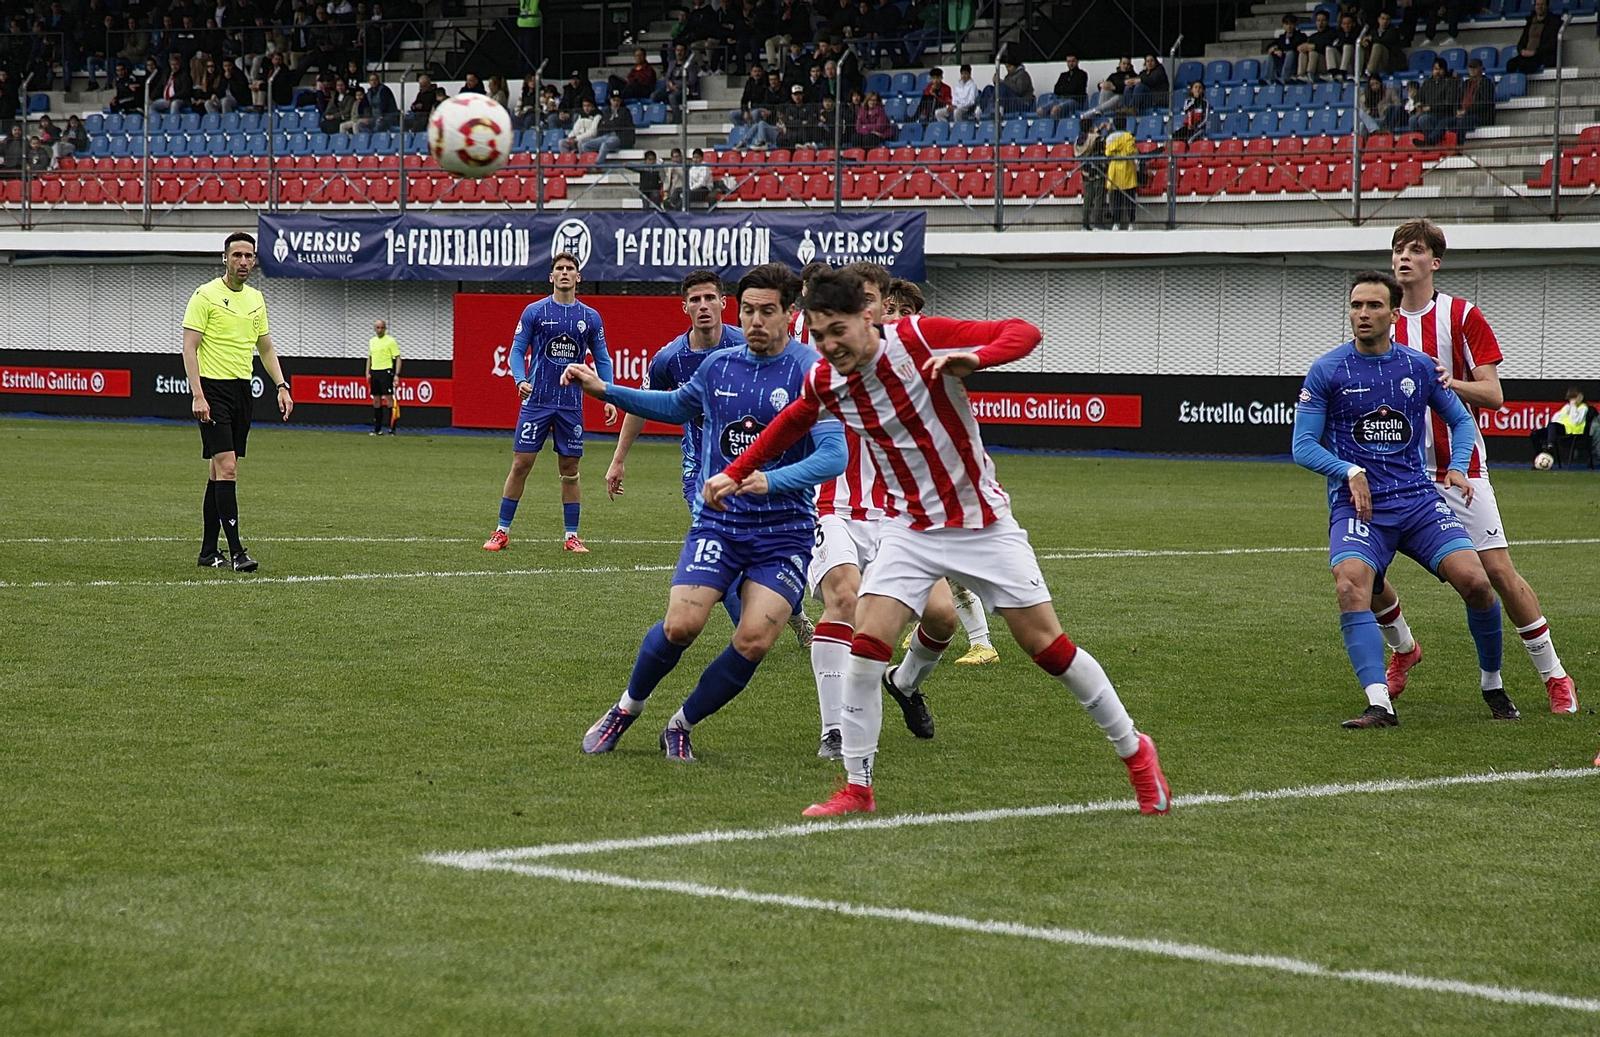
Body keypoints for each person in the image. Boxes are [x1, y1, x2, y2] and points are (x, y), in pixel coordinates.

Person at [704, 268, 1171, 817]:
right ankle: (858, 787)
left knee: (1048, 648)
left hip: (981, 524)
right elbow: (787, 424)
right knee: (867, 645)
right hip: (909, 529)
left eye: (839, 330)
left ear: (868, 317)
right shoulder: (827, 379)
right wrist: (735, 472)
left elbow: (1022, 330)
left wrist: (978, 359)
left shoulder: (919, 338)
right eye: (820, 333)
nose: (829, 344)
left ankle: (1136, 752)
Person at [574, 264, 847, 762]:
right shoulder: (718, 366)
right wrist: (605, 390)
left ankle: (682, 723)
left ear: (792, 313)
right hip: (720, 523)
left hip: (784, 533)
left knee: (754, 640)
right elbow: (676, 406)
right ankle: (626, 708)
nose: (757, 320)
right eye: (749, 310)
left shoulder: (814, 372)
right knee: (681, 626)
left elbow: (833, 455)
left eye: (768, 310)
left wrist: (770, 480)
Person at [1292, 270, 1515, 728]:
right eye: (1356, 306)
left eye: (1374, 306)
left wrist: (1458, 465)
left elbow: (1463, 421)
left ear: (1394, 313)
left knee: (1476, 582)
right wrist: (1348, 470)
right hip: (1361, 508)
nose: (1363, 314)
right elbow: (1303, 446)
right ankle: (1379, 703)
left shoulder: (1419, 366)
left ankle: (1492, 684)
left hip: (1417, 500)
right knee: (1351, 583)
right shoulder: (1327, 370)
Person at [1375, 219, 1578, 714]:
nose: (1404, 257)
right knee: (1363, 573)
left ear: (1435, 262)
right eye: (1398, 249)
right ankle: (1404, 650)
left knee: (1497, 573)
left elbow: (1494, 394)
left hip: (1458, 468)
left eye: (1415, 250)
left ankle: (1555, 676)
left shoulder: (1461, 315)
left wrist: (1445, 383)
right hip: (1397, 474)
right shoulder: (1381, 319)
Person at [883, 275, 999, 668]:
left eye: (905, 312)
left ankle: (983, 642)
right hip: (903, 479)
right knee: (908, 557)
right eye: (890, 309)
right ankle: (921, 627)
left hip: (941, 478)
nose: (896, 317)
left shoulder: (929, 356)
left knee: (946, 564)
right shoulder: (873, 357)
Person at [483, 253, 617, 554]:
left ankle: (572, 536)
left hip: (570, 404)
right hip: (537, 401)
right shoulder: (535, 311)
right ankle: (501, 531)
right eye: (560, 269)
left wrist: (609, 396)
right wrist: (520, 380)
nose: (565, 273)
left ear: (579, 277)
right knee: (521, 464)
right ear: (551, 276)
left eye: (571, 269)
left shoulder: (591, 318)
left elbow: (603, 358)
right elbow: (517, 351)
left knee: (570, 469)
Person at [180, 233, 293, 574]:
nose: (243, 261)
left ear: (255, 261)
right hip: (213, 392)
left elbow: (266, 347)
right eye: (237, 255)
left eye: (249, 256)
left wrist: (282, 386)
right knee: (228, 467)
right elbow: (189, 347)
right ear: (225, 259)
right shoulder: (205, 295)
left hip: (242, 391)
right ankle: (237, 552)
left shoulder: (256, 300)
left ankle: (207, 552)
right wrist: (198, 394)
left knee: (218, 472)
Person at [1530, 387, 1589, 458]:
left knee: (1552, 426)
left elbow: (1575, 421)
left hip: (1570, 431)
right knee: (1535, 434)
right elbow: (1555, 419)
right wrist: (1567, 410)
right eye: (1570, 398)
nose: (1572, 400)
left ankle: (1550, 446)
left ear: (1581, 397)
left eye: (1574, 397)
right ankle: (1541, 456)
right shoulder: (1567, 407)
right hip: (1558, 428)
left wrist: (1573, 407)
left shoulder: (1583, 408)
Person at [1409, 58, 1457, 146]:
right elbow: (1419, 96)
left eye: (1440, 69)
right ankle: (1420, 142)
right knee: (1412, 120)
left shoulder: (1450, 82)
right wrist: (1418, 103)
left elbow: (1449, 103)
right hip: (1426, 112)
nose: (1437, 72)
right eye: (1435, 69)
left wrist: (1431, 107)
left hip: (1441, 114)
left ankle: (1430, 142)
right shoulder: (1428, 82)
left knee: (1424, 119)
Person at [366, 319, 401, 436]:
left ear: (385, 329)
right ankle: (377, 428)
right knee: (376, 400)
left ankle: (392, 428)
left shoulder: (391, 341)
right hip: (375, 371)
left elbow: (398, 358)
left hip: (386, 371)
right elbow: (370, 357)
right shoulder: (372, 341)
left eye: (382, 328)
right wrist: (368, 372)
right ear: (374, 329)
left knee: (389, 399)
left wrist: (396, 374)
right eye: (377, 327)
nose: (379, 330)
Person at [1506, 0, 1559, 74]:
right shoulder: (1530, 21)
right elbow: (1522, 41)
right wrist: (1522, 51)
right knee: (1510, 64)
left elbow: (1551, 44)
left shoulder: (1553, 22)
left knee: (1524, 65)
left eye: (1542, 5)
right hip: (1527, 55)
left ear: (1547, 6)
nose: (1540, 7)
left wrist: (1535, 52)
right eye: (1537, 4)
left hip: (1541, 55)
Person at [1104, 121, 1137, 230]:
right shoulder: (1129, 136)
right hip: (1127, 170)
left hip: (1114, 171)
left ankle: (1116, 223)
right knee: (1129, 199)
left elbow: (1108, 153)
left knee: (1115, 200)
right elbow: (1130, 151)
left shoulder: (1110, 138)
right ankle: (1131, 223)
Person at [1448, 57, 1495, 134]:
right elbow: (1458, 99)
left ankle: (1459, 144)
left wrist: (1466, 111)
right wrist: (1457, 111)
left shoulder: (1486, 83)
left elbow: (1484, 103)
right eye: (1470, 68)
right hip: (1463, 114)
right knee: (1445, 122)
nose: (1472, 70)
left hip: (1479, 116)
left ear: (1481, 68)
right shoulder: (1466, 83)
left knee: (1461, 123)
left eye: (1475, 68)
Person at [585, 93, 635, 164]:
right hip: (606, 135)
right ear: (610, 100)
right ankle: (586, 164)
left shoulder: (625, 111)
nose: (616, 103)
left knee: (605, 145)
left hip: (618, 136)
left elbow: (619, 125)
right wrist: (612, 123)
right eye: (614, 100)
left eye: (618, 100)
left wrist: (610, 123)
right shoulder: (606, 111)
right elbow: (601, 126)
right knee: (585, 145)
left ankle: (597, 165)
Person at [1077, 116, 1107, 230]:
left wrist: (1098, 130)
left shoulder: (1079, 139)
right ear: (1090, 127)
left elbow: (1090, 139)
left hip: (1085, 172)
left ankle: (1085, 223)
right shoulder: (1096, 138)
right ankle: (1097, 222)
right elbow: (1102, 144)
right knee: (1099, 197)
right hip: (1097, 171)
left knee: (1088, 198)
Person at [1361, 10, 1406, 76]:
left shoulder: (1393, 31)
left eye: (1387, 19)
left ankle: (1369, 71)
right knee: (1360, 45)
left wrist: (1371, 38)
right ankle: (1358, 72)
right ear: (1378, 19)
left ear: (1390, 21)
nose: (1385, 21)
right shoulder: (1373, 31)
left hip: (1388, 61)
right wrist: (1366, 42)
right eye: (1383, 19)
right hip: (1375, 60)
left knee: (1377, 46)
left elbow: (1383, 40)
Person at [1298, 10, 1337, 81]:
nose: (1320, 23)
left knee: (1313, 52)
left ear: (1327, 21)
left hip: (1326, 64)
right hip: (1315, 64)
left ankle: (1310, 74)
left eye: (1323, 20)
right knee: (1303, 52)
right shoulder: (1313, 36)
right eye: (1318, 20)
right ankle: (1301, 75)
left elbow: (1327, 46)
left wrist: (1314, 47)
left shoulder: (1333, 33)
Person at [1268, 15, 1307, 83]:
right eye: (1287, 24)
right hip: (1282, 63)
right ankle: (1269, 78)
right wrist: (1275, 49)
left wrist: (1281, 50)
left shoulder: (1300, 36)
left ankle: (1284, 77)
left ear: (1295, 25)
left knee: (1290, 53)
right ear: (1283, 25)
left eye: (1291, 24)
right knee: (1271, 54)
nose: (1289, 26)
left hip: (1294, 64)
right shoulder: (1281, 37)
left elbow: (1293, 47)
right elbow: (1270, 46)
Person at [1327, 14, 1361, 80]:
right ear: (1341, 25)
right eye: (1344, 24)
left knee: (1347, 46)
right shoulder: (1339, 33)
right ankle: (1333, 73)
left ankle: (1343, 72)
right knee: (1329, 48)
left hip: (1354, 62)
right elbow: (1330, 42)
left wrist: (1341, 42)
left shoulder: (1358, 31)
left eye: (1349, 23)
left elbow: (1349, 41)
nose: (1346, 26)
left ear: (1353, 24)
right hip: (1341, 60)